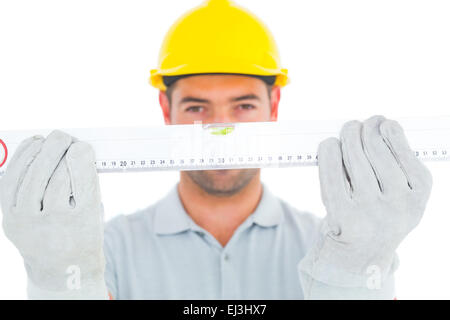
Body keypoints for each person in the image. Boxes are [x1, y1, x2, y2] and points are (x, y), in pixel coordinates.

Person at [0, 0, 432, 300]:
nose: (220, 130)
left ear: (274, 106)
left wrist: (357, 276)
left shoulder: (335, 244)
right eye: (197, 107)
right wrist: (59, 281)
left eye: (243, 105)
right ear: (165, 109)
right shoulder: (102, 249)